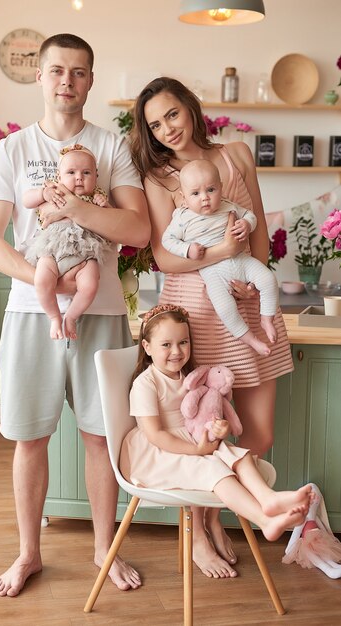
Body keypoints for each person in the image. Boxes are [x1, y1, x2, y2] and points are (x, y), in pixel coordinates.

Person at [0, 33, 149, 597]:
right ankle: (28, 554)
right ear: (40, 77)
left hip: (101, 316)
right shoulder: (12, 151)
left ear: (90, 81)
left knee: (101, 437)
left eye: (78, 72)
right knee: (30, 439)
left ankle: (104, 549)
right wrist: (47, 281)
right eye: (57, 70)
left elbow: (139, 229)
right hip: (32, 314)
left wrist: (77, 209)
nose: (66, 81)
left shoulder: (112, 147)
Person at [130, 77, 293, 579]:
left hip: (246, 303)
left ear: (192, 110)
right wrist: (223, 255)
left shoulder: (237, 154)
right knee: (201, 427)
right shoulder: (158, 178)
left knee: (257, 433)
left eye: (172, 115)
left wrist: (252, 276)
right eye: (155, 124)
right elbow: (163, 255)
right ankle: (199, 530)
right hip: (195, 315)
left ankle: (215, 517)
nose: (167, 130)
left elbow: (259, 225)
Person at [120, 304, 311, 543]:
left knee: (238, 455)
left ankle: (268, 498)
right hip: (154, 454)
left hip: (187, 441)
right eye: (166, 345)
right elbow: (155, 435)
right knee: (215, 470)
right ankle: (264, 521)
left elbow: (202, 418)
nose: (177, 351)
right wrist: (197, 450)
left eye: (183, 342)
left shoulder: (191, 378)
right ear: (147, 347)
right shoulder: (146, 384)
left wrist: (219, 428)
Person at [162, 159, 278, 356]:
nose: (205, 198)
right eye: (196, 193)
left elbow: (250, 215)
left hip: (242, 261)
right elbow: (167, 240)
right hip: (213, 271)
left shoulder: (229, 206)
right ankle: (250, 339)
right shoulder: (182, 217)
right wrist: (187, 249)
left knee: (269, 279)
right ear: (184, 197)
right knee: (224, 308)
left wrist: (247, 225)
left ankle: (266, 318)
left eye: (211, 190)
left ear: (221, 188)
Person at [23, 144, 112, 340]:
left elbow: (111, 223)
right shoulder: (54, 189)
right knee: (42, 280)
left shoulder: (96, 196)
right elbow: (26, 200)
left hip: (85, 251)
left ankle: (71, 317)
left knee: (90, 285)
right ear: (59, 175)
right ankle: (54, 317)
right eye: (71, 172)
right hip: (52, 248)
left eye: (86, 172)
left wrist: (104, 206)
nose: (79, 177)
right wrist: (42, 194)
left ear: (96, 177)